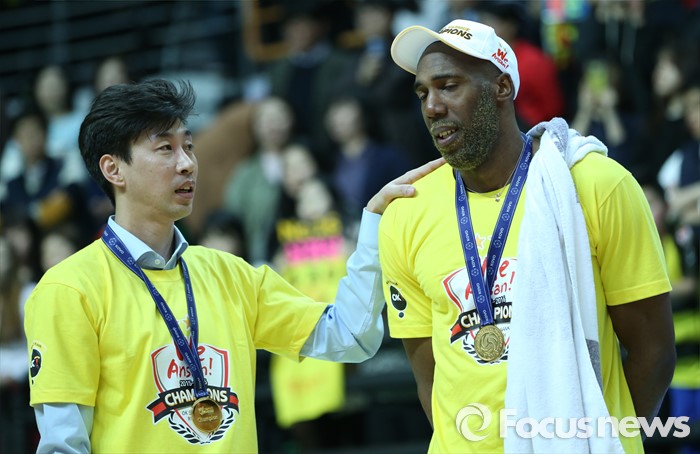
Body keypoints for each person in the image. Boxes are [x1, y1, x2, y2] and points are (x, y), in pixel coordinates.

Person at [23, 79, 445, 452]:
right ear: (113, 169)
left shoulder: (231, 274)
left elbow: (351, 336)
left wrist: (372, 225)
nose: (187, 163)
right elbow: (64, 446)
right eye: (165, 148)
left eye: (188, 146)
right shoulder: (70, 289)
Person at [379, 19, 675, 453]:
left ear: (501, 88)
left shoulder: (595, 185)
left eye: (449, 86)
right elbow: (429, 377)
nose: (432, 107)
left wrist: (603, 441)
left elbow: (654, 350)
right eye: (423, 93)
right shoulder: (405, 213)